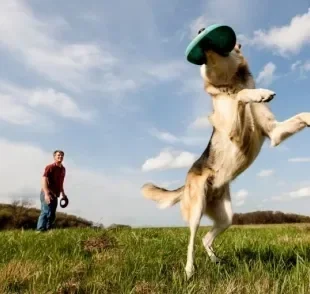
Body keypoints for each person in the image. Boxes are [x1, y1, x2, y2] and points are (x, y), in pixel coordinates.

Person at [36, 150, 68, 232]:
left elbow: (61, 183)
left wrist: (63, 194)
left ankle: (48, 230)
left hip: (55, 194)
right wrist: (46, 194)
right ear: (54, 157)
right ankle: (40, 230)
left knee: (52, 214)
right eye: (58, 155)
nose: (60, 157)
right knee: (46, 211)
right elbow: (44, 180)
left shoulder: (63, 169)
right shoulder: (50, 167)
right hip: (47, 192)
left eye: (62, 155)